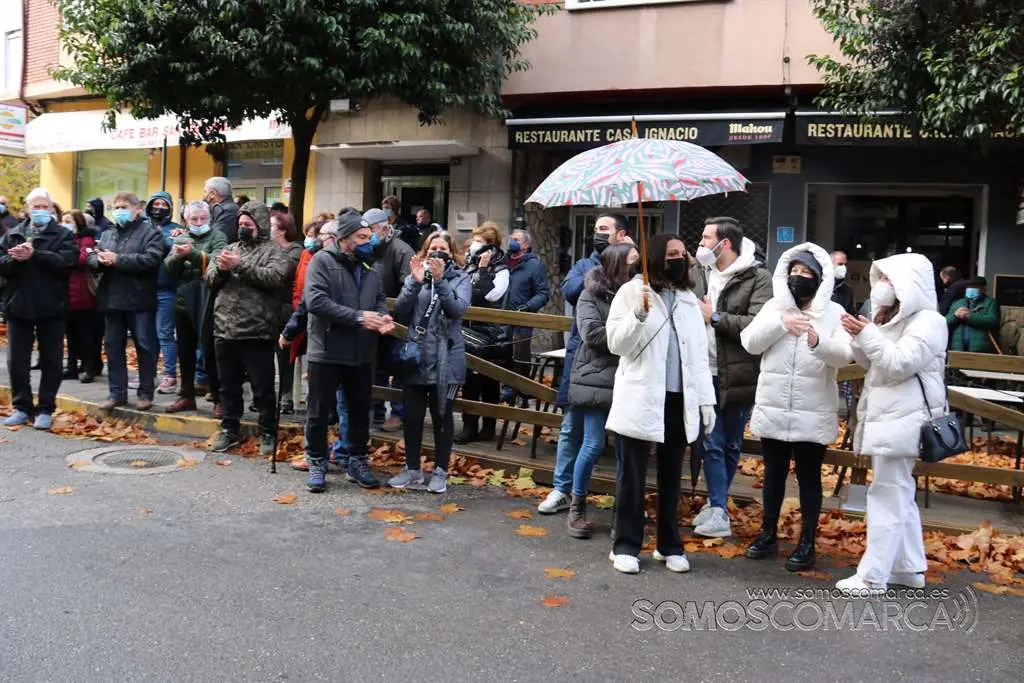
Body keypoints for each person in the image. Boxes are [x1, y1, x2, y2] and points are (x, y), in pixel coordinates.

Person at [605, 233, 716, 574]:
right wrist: (637, 316)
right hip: (640, 395)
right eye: (671, 253)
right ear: (655, 257)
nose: (678, 258)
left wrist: (706, 401)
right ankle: (625, 544)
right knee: (633, 475)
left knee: (672, 476)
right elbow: (615, 344)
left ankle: (669, 544)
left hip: (679, 399)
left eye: (682, 253)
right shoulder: (631, 292)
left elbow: (698, 356)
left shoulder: (687, 299)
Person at [836, 253, 947, 592]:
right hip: (889, 417)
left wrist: (867, 334)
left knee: (887, 494)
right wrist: (859, 337)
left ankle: (873, 576)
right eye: (880, 278)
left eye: (888, 279)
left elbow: (899, 363)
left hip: (906, 418)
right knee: (899, 492)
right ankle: (909, 568)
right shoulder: (891, 317)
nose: (882, 285)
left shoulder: (929, 321)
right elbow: (874, 364)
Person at [740, 244, 853, 571]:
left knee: (809, 478)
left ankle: (807, 541)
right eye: (795, 272)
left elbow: (844, 356)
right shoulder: (775, 307)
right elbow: (750, 342)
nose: (799, 278)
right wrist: (781, 324)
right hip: (774, 405)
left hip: (812, 408)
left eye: (806, 274)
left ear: (819, 280)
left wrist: (819, 342)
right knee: (772, 475)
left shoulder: (832, 312)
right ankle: (768, 533)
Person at [538, 213, 632, 514]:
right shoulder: (585, 265)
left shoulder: (635, 266)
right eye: (595, 230)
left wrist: (631, 263)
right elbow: (570, 290)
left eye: (604, 229)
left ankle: (626, 497)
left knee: (623, 438)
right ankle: (562, 489)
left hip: (626, 366)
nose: (597, 234)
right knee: (572, 428)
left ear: (622, 234)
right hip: (586, 360)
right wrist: (606, 270)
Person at [692, 217, 772, 538]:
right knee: (711, 441)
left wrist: (716, 317)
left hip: (739, 372)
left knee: (731, 443)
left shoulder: (758, 277)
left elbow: (757, 323)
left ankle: (716, 506)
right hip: (704, 370)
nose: (700, 243)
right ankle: (718, 508)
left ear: (724, 244)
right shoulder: (700, 273)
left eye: (705, 237)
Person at [303, 212, 395, 492]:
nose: (369, 242)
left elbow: (378, 298)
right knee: (318, 412)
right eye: (362, 237)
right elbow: (315, 300)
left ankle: (357, 461)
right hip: (327, 350)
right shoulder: (322, 261)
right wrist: (358, 317)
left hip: (361, 352)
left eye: (370, 237)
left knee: (359, 412)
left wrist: (382, 317)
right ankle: (317, 461)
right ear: (344, 239)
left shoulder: (370, 266)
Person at [563, 243, 638, 537]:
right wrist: (633, 327)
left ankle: (624, 510)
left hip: (629, 379)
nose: (637, 265)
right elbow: (593, 335)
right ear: (617, 264)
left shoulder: (639, 294)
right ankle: (577, 505)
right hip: (596, 377)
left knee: (626, 451)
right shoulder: (590, 294)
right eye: (632, 261)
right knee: (592, 443)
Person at [388, 231, 471, 493]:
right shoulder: (416, 278)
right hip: (416, 357)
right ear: (424, 252)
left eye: (442, 249)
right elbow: (401, 309)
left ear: (451, 253)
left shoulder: (461, 278)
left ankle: (441, 471)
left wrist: (440, 280)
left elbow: (457, 309)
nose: (437, 253)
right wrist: (414, 282)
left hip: (447, 359)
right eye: (432, 248)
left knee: (442, 417)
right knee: (412, 417)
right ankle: (413, 469)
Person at [203, 202, 289, 453]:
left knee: (262, 388)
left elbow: (274, 277)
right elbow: (209, 279)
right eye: (240, 225)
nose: (242, 229)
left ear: (260, 225)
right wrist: (220, 267)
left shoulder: (275, 252)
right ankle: (230, 428)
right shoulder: (228, 248)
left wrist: (239, 265)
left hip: (257, 330)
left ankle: (268, 432)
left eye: (248, 225)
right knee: (227, 385)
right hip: (224, 329)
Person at [0, 188, 78, 429]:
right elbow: (2, 264)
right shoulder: (13, 234)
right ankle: (22, 406)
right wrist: (14, 258)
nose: (41, 211)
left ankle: (46, 407)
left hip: (51, 306)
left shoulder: (63, 234)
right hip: (18, 306)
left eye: (46, 207)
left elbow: (67, 262)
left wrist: (35, 254)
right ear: (27, 207)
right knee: (17, 361)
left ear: (52, 209)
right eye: (37, 207)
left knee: (52, 360)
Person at [87, 192, 164, 411]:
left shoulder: (150, 232)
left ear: (137, 209)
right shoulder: (109, 232)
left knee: (145, 346)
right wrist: (98, 260)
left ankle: (145, 393)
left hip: (139, 299)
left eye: (123, 207)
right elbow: (93, 255)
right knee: (112, 347)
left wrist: (118, 260)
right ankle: (117, 393)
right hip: (111, 299)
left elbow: (152, 259)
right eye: (116, 207)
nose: (118, 211)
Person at [163, 201, 227, 413]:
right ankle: (186, 395)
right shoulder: (180, 237)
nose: (199, 223)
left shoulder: (218, 236)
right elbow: (169, 268)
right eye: (194, 219)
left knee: (211, 352)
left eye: (203, 219)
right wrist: (180, 258)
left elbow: (217, 262)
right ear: (186, 220)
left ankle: (219, 398)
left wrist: (191, 255)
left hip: (209, 302)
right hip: (183, 303)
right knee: (185, 351)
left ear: (209, 219)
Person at [456, 221, 510, 443]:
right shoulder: (469, 264)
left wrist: (484, 269)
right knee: (469, 379)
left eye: (479, 242)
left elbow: (492, 296)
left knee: (488, 380)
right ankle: (469, 426)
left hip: (490, 333)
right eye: (474, 240)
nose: (473, 246)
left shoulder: (501, 269)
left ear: (491, 247)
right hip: (466, 328)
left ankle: (487, 427)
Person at [364, 207, 415, 431]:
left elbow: (409, 286)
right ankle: (375, 409)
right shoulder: (368, 249)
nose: (369, 234)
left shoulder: (402, 250)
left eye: (372, 230)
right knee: (376, 367)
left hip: (398, 321)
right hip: (374, 318)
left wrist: (392, 315)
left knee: (398, 365)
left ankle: (398, 413)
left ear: (385, 228)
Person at [145, 191, 182, 396]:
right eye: (156, 204)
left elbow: (176, 250)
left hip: (166, 288)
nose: (159, 207)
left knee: (165, 333)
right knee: (146, 335)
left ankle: (170, 375)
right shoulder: (142, 226)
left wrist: (165, 238)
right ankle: (148, 373)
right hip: (144, 289)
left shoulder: (175, 229)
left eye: (164, 204)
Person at [505, 228, 550, 388]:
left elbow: (543, 293)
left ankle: (521, 392)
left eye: (516, 240)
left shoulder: (534, 265)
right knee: (500, 357)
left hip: (521, 320)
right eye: (512, 239)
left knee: (520, 358)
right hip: (498, 318)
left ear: (526, 245)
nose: (512, 242)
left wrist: (528, 307)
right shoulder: (502, 262)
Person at [62, 209, 101, 383]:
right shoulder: (62, 238)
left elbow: (84, 260)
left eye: (69, 220)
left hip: (82, 292)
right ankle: (71, 366)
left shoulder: (86, 239)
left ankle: (88, 367)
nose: (65, 224)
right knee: (69, 333)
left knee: (85, 333)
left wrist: (66, 257)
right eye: (63, 220)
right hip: (65, 292)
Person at [271, 211, 303, 414]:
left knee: (285, 355)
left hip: (285, 309)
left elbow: (284, 271)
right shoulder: (268, 248)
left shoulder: (295, 250)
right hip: (266, 308)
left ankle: (286, 396)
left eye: (271, 225)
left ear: (282, 229)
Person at [947, 276, 1000, 353]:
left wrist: (969, 316)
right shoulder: (957, 303)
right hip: (958, 349)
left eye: (975, 286)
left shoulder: (991, 303)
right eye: (968, 286)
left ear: (983, 288)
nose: (971, 288)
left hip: (981, 350)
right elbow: (945, 323)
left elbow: (993, 321)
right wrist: (955, 316)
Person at [205, 177, 239, 243]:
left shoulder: (229, 210)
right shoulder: (222, 208)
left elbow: (217, 237)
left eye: (205, 191)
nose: (204, 195)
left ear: (212, 194)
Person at [830, 249, 856, 314]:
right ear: (830, 264)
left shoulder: (848, 290)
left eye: (845, 264)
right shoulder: (818, 285)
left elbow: (850, 313)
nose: (843, 267)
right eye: (840, 264)